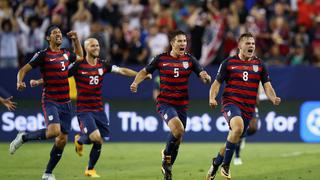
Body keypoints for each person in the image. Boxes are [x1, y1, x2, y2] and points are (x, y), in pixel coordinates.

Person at [31, 38, 143, 178]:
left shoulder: (103, 65)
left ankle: (89, 168)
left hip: (99, 109)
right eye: (92, 46)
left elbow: (122, 71)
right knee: (95, 137)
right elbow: (59, 76)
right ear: (86, 49)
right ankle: (79, 141)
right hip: (84, 109)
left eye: (97, 45)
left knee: (99, 140)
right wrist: (39, 81)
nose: (96, 48)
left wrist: (140, 76)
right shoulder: (78, 65)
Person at [130, 30, 211, 180]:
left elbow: (203, 76)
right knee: (178, 129)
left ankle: (168, 168)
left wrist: (206, 78)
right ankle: (166, 154)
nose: (183, 44)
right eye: (179, 41)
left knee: (178, 139)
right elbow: (144, 71)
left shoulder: (190, 60)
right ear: (172, 43)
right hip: (165, 103)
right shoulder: (161, 59)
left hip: (182, 105)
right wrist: (136, 82)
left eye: (184, 41)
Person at [9, 25, 83, 180]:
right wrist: (19, 82)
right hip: (50, 100)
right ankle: (23, 138)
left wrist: (76, 40)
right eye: (54, 33)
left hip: (66, 102)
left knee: (62, 140)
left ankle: (48, 173)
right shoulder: (43, 55)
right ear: (48, 38)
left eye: (59, 33)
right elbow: (22, 70)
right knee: (54, 131)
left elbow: (81, 58)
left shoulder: (66, 54)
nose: (58, 35)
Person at [206, 32, 281, 180]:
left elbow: (267, 86)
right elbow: (216, 84)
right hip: (231, 103)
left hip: (248, 107)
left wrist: (273, 98)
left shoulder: (259, 64)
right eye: (248, 43)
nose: (251, 46)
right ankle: (226, 167)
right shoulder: (228, 63)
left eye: (253, 44)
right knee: (238, 128)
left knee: (233, 137)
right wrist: (212, 97)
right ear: (240, 46)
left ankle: (216, 163)